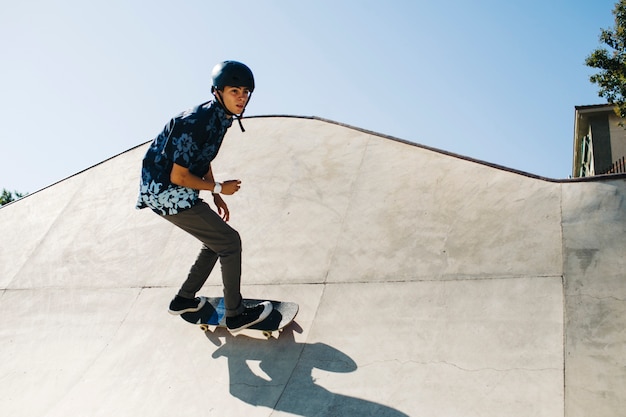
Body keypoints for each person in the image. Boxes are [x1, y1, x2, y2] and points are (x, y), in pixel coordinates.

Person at [136, 60, 272, 333]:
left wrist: (214, 193)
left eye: (246, 92)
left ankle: (183, 300)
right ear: (218, 92)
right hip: (164, 190)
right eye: (235, 91)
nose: (242, 98)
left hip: (175, 190)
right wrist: (219, 187)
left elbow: (202, 157)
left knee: (215, 242)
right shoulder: (195, 121)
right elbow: (178, 176)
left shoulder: (220, 120)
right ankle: (236, 315)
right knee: (230, 242)